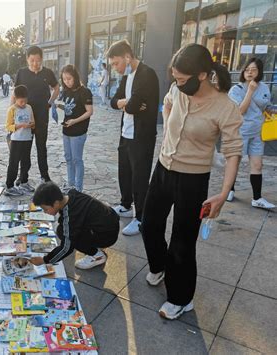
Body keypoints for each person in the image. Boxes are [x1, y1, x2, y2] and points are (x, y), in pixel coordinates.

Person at [141, 44, 242, 320]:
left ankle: (181, 299)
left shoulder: (224, 107)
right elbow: (168, 104)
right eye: (175, 78)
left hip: (193, 179)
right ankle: (159, 266)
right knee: (149, 224)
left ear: (202, 75)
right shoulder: (177, 90)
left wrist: (222, 194)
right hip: (163, 168)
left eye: (183, 80)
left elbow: (233, 152)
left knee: (182, 242)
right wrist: (167, 131)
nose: (177, 84)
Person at [108, 39, 159, 236]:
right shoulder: (126, 77)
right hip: (125, 133)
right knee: (125, 172)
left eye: (116, 63)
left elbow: (132, 105)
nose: (115, 68)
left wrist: (129, 104)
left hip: (142, 135)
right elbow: (114, 102)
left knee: (140, 177)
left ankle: (141, 217)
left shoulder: (147, 74)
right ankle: (125, 205)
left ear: (127, 57)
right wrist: (127, 102)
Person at [29, 182, 119, 270]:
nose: (45, 212)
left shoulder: (72, 215)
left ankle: (97, 255)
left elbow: (66, 248)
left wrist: (45, 260)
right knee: (62, 230)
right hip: (110, 221)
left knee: (70, 237)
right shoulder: (70, 194)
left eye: (45, 209)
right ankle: (92, 243)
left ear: (56, 203)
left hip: (108, 236)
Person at [227, 58, 275, 209]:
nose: (249, 72)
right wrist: (250, 91)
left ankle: (257, 198)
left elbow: (267, 106)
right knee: (235, 163)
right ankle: (229, 189)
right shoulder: (236, 90)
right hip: (240, 132)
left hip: (258, 132)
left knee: (257, 165)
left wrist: (272, 110)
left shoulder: (265, 88)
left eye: (253, 70)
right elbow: (241, 110)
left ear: (259, 72)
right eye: (247, 69)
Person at [14, 45, 60, 183]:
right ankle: (23, 177)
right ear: (27, 59)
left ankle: (44, 175)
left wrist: (50, 102)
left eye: (38, 60)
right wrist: (12, 112)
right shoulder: (21, 73)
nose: (35, 63)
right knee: (25, 147)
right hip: (24, 116)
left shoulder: (47, 73)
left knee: (41, 147)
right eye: (32, 60)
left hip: (41, 116)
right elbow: (15, 93)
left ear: (42, 59)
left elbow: (56, 88)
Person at [58, 64, 93, 192]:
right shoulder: (66, 91)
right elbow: (68, 107)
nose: (67, 82)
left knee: (76, 159)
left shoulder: (85, 92)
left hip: (78, 131)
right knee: (68, 158)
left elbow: (89, 111)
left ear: (75, 77)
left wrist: (75, 121)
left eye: (69, 79)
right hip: (66, 129)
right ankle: (70, 184)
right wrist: (57, 106)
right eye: (64, 79)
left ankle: (78, 188)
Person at [4, 85, 36, 196]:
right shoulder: (12, 109)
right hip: (16, 140)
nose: (23, 103)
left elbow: (33, 122)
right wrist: (19, 126)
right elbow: (8, 126)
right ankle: (9, 186)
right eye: (21, 101)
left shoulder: (29, 108)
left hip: (27, 139)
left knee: (26, 162)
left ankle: (24, 182)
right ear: (16, 99)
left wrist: (31, 125)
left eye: (25, 101)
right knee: (13, 163)